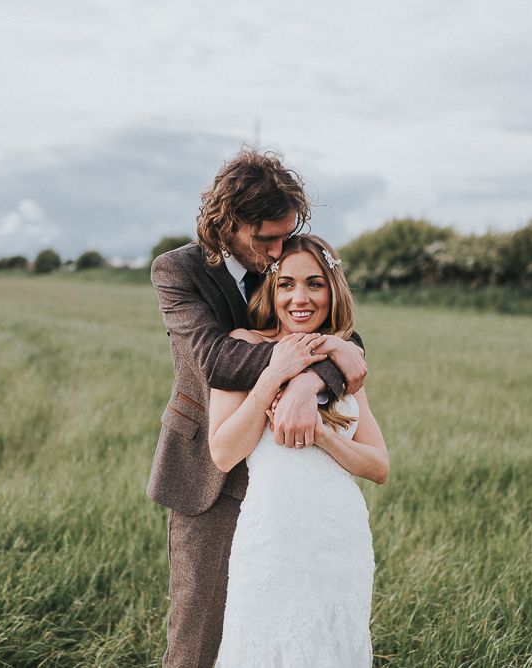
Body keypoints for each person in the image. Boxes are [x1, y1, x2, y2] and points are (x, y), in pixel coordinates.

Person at [149, 148, 368, 667]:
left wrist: (311, 376)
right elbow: (217, 360)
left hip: (286, 478)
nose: (276, 251)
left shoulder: (284, 251)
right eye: (265, 238)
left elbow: (339, 330)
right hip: (212, 466)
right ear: (227, 222)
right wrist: (310, 364)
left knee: (277, 628)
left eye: (284, 235)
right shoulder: (177, 270)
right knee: (200, 632)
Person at [209, 235, 389, 667]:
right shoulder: (242, 345)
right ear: (271, 289)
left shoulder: (345, 362)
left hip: (337, 538)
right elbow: (223, 453)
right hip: (271, 540)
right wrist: (275, 377)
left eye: (314, 283)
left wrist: (324, 436)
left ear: (333, 288)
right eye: (286, 284)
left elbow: (379, 466)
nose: (300, 298)